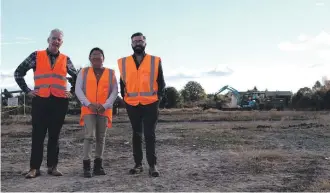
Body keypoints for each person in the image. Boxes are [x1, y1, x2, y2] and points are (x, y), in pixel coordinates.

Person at [13, 28, 78, 178]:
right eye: (53, 38)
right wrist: (27, 91)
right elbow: (18, 72)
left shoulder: (66, 59)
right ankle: (34, 168)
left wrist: (72, 91)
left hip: (59, 102)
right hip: (40, 101)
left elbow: (78, 76)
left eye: (59, 39)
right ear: (48, 40)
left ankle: (52, 167)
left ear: (62, 42)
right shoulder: (36, 56)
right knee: (38, 135)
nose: (56, 41)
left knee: (54, 135)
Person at [117, 32, 166, 177]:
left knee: (150, 134)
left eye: (140, 41)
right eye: (135, 41)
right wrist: (125, 98)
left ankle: (152, 165)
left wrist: (159, 98)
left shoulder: (154, 60)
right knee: (136, 134)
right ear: (131, 44)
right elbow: (122, 82)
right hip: (132, 104)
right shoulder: (124, 62)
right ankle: (138, 164)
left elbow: (161, 82)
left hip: (151, 103)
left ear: (145, 43)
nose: (137, 43)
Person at [75, 47, 118, 178]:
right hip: (89, 109)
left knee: (101, 138)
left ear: (103, 58)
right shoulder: (84, 72)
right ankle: (86, 166)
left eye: (99, 55)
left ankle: (98, 166)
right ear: (89, 58)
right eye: (93, 55)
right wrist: (88, 104)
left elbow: (115, 91)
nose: (96, 57)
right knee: (89, 136)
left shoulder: (111, 73)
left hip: (104, 110)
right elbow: (78, 90)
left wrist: (105, 105)